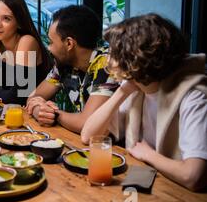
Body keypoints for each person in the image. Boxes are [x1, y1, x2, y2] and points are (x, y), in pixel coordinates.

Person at [81, 14, 207, 191]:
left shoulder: (192, 96)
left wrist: (149, 155)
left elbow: (193, 176)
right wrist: (122, 91)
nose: (108, 59)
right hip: (147, 183)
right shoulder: (138, 88)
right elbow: (88, 136)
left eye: (114, 52)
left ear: (134, 58)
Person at [25, 5, 119, 133]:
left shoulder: (107, 63)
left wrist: (54, 114)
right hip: (81, 143)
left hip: (113, 147)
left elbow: (85, 123)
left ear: (69, 43)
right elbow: (33, 97)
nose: (49, 48)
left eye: (51, 42)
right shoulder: (64, 65)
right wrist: (39, 111)